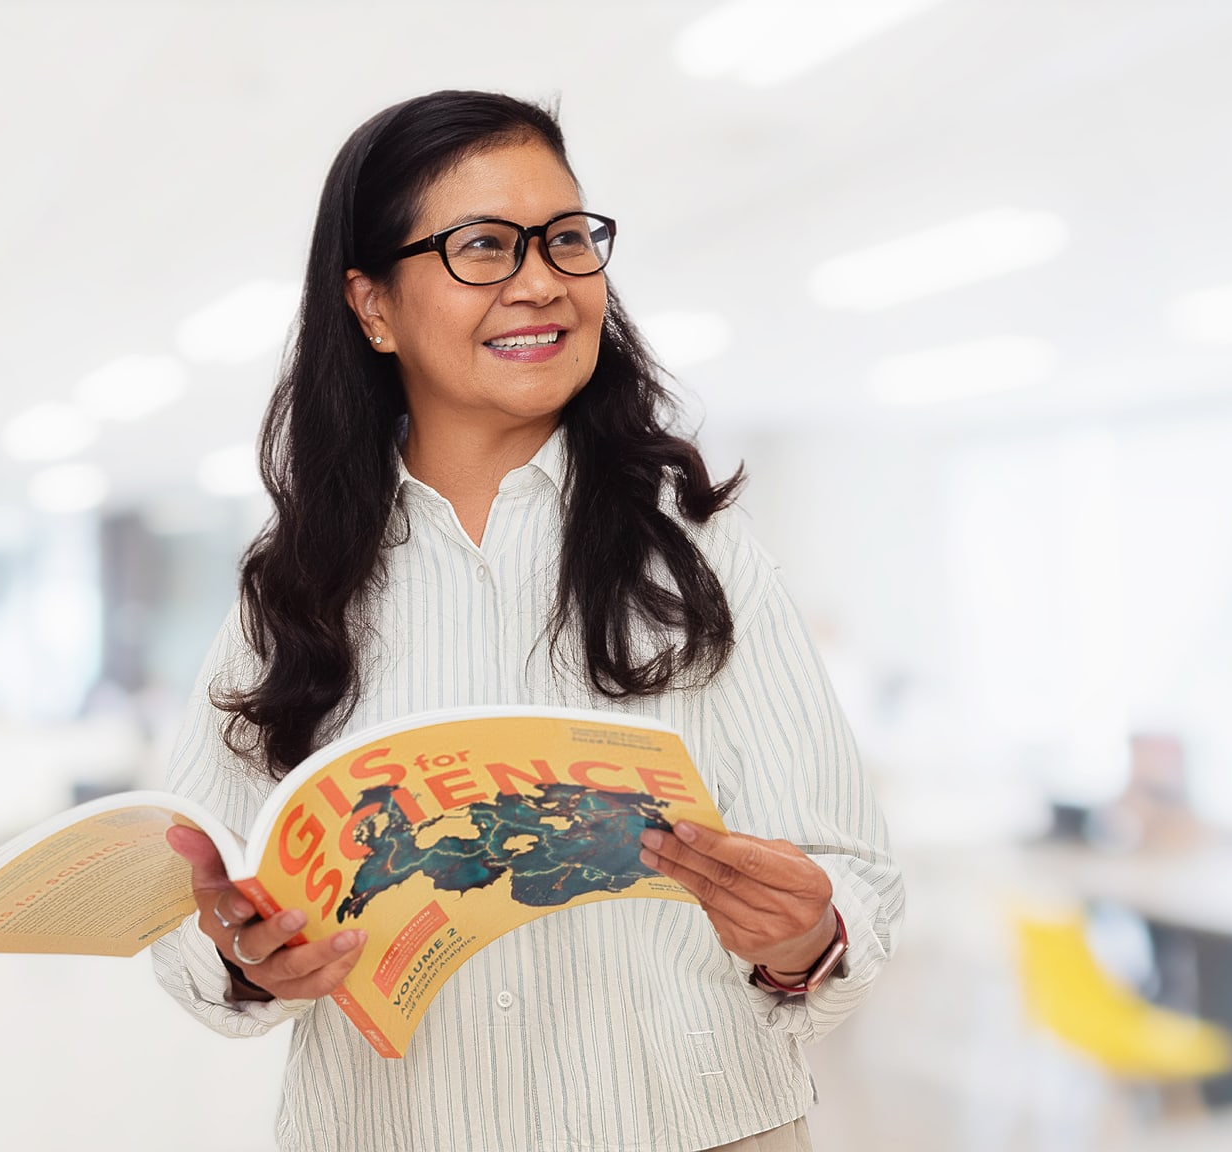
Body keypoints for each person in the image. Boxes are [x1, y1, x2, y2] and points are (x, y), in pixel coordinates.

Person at [152, 90, 904, 1152]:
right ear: (373, 305)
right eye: (483, 248)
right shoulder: (292, 590)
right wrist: (240, 953)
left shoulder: (701, 557)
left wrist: (806, 933)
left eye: (566, 239)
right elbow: (189, 912)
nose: (542, 281)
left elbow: (854, 877)